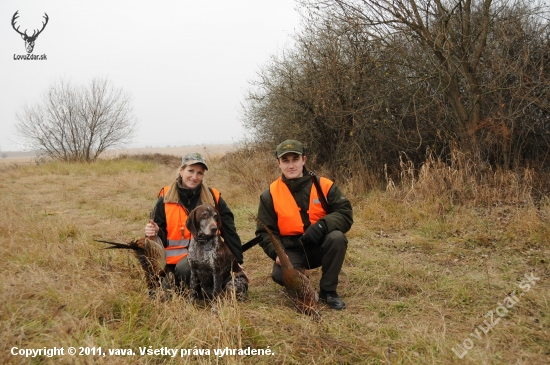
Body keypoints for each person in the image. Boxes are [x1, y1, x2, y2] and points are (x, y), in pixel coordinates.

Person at [255, 140, 353, 310]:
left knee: (337, 238)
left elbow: (345, 213)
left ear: (304, 160)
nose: (291, 165)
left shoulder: (325, 185)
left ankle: (328, 292)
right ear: (279, 163)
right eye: (285, 160)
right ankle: (301, 278)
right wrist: (277, 253)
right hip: (291, 248)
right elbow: (265, 232)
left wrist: (323, 225)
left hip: (319, 245)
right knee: (279, 275)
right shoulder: (269, 194)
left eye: (295, 159)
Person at [145, 152, 244, 293]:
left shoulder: (213, 197)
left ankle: (208, 289)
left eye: (200, 173)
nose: (195, 177)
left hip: (209, 258)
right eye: (190, 171)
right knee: (170, 287)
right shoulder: (165, 199)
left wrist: (237, 264)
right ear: (181, 170)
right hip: (174, 263)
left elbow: (230, 231)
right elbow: (159, 237)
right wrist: (153, 232)